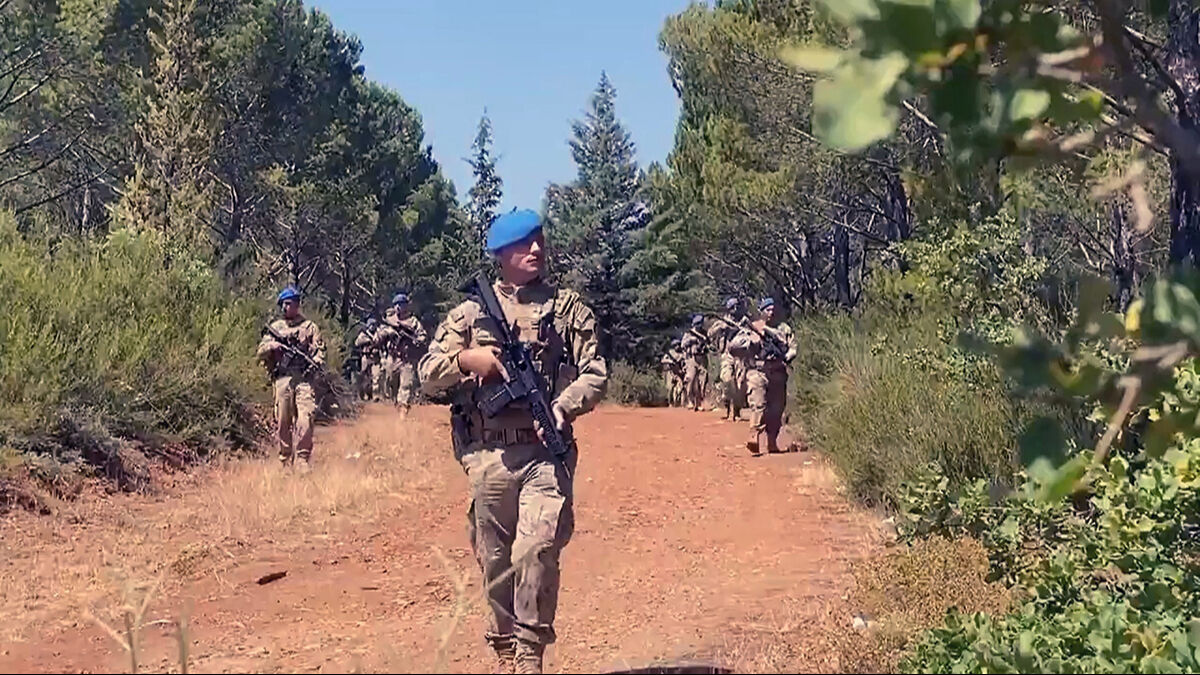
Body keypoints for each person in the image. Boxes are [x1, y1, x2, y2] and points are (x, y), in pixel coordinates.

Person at [419, 208, 607, 674]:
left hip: (545, 453)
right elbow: (427, 375)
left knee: (537, 548)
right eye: (524, 244)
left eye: (540, 240)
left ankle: (528, 654)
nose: (536, 250)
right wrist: (468, 360)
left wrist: (563, 407)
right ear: (501, 253)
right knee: (496, 561)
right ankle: (504, 650)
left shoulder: (567, 309)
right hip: (488, 456)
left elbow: (596, 373)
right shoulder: (470, 314)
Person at [256, 285, 326, 470]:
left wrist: (315, 362)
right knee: (283, 421)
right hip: (283, 379)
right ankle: (285, 459)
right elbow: (260, 352)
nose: (289, 307)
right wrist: (273, 346)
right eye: (286, 304)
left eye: (292, 303)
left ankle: (302, 458)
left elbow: (320, 352)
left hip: (303, 379)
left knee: (306, 417)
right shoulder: (276, 329)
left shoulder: (309, 327)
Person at [730, 297, 796, 455]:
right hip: (758, 371)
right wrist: (751, 342)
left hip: (778, 371)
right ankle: (754, 436)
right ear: (762, 311)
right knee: (758, 404)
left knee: (777, 408)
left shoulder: (783, 329)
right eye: (768, 309)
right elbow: (733, 346)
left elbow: (793, 347)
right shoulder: (753, 328)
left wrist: (787, 355)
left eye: (773, 309)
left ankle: (772, 442)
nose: (771, 312)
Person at [375, 293, 428, 410]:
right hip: (392, 359)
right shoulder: (389, 321)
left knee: (406, 387)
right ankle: (397, 406)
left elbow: (423, 337)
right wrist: (386, 333)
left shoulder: (413, 322)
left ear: (406, 306)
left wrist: (415, 340)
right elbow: (376, 339)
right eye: (396, 304)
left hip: (407, 360)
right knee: (391, 386)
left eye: (401, 304)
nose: (398, 307)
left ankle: (403, 415)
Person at [708, 297, 748, 421]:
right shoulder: (722, 321)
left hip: (741, 356)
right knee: (726, 379)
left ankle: (736, 411)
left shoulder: (745, 321)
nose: (735, 309)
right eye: (732, 307)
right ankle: (728, 405)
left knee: (741, 384)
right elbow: (710, 333)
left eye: (737, 306)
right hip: (727, 354)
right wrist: (722, 327)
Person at [679, 314, 710, 412]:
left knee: (702, 381)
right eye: (697, 324)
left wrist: (705, 344)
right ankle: (690, 401)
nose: (699, 326)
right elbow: (682, 345)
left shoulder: (705, 333)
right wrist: (691, 341)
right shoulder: (689, 334)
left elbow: (710, 344)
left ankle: (699, 402)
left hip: (702, 358)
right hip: (692, 359)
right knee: (690, 380)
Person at [353, 317, 381, 401]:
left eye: (374, 325)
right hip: (365, 357)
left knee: (376, 377)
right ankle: (364, 394)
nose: (372, 327)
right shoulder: (364, 334)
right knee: (364, 377)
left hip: (375, 358)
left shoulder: (378, 333)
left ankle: (375, 395)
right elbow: (357, 342)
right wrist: (367, 340)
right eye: (371, 325)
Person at [660, 338, 686, 407]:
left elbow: (685, 362)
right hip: (670, 372)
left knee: (681, 387)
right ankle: (670, 402)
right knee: (670, 388)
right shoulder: (670, 352)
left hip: (679, 373)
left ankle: (680, 402)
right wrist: (670, 361)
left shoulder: (683, 354)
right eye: (676, 345)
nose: (678, 346)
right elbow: (662, 360)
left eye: (679, 345)